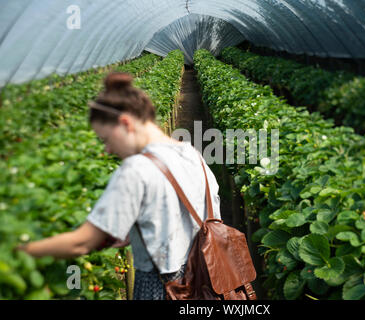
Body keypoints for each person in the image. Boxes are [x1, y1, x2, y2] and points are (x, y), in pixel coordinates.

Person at [17, 72, 222, 300]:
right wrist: (138, 230)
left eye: (106, 139)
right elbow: (197, 219)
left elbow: (82, 243)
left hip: (162, 288)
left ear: (125, 123)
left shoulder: (136, 168)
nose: (108, 150)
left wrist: (21, 252)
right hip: (205, 283)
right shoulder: (193, 155)